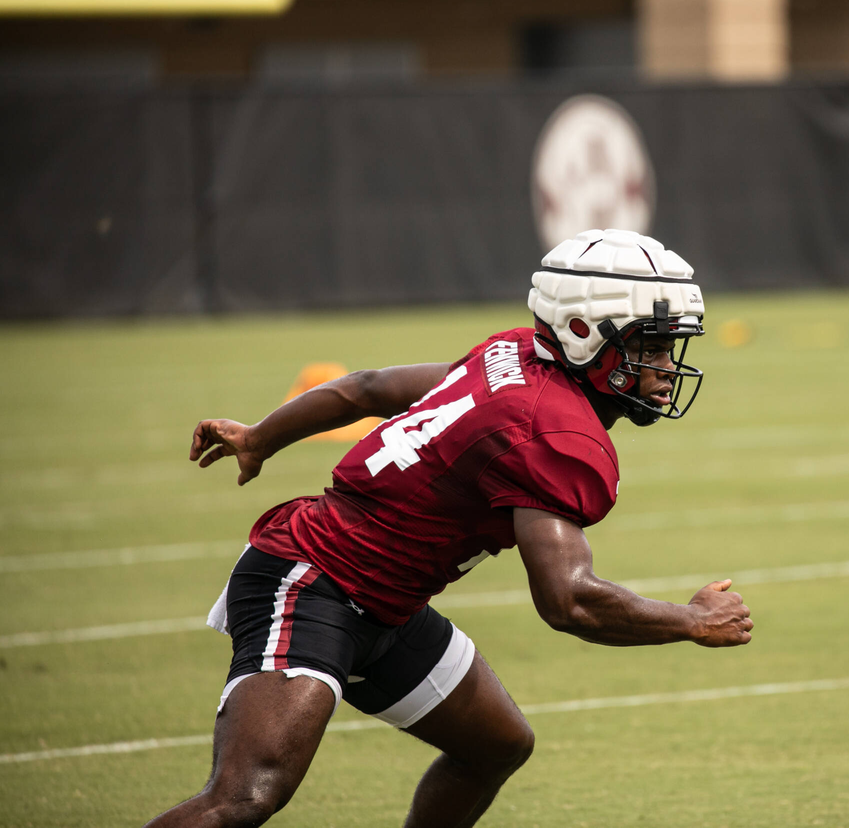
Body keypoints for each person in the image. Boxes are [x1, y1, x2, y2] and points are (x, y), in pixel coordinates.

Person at [146, 229, 753, 828]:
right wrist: (693, 621)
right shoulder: (560, 434)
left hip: (384, 601)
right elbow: (570, 602)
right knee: (245, 797)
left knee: (496, 746)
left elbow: (365, 389)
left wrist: (259, 437)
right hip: (313, 582)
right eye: (649, 346)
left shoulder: (515, 354)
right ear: (582, 334)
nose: (666, 368)